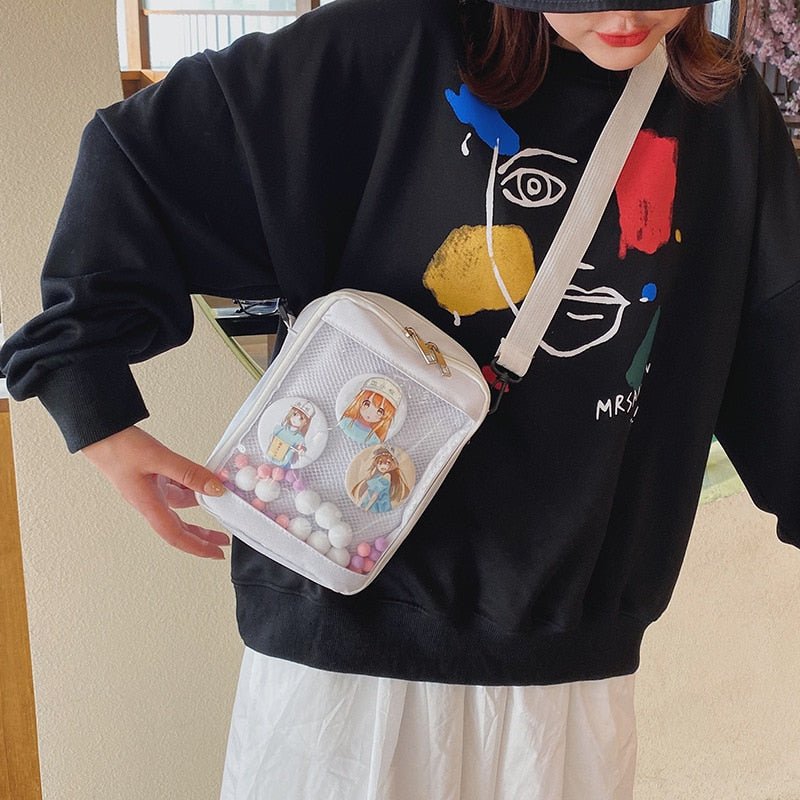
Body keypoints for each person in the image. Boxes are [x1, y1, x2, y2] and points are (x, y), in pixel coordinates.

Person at [2, 0, 799, 797]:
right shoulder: (393, 46)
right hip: (339, 675)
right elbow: (141, 158)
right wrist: (89, 397)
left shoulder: (724, 117)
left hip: (565, 685)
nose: (626, 10)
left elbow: (781, 355)